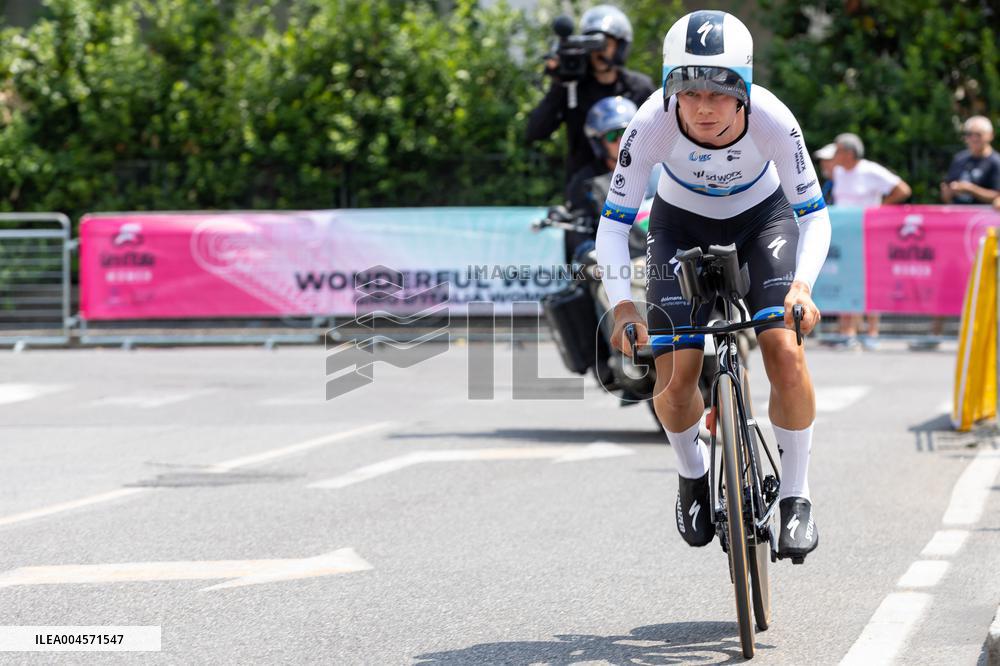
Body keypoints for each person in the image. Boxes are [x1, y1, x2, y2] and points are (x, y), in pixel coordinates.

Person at [595, 10, 830, 560]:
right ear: (669, 89)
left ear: (743, 90)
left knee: (784, 350)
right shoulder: (650, 123)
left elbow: (814, 215)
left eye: (720, 93)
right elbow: (613, 225)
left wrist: (802, 286)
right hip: (679, 226)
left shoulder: (773, 119)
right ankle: (693, 474)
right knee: (676, 374)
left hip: (762, 222)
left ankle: (796, 496)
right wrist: (623, 306)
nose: (703, 107)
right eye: (689, 92)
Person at [526, 5, 655, 183]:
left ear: (620, 46)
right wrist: (559, 84)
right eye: (592, 45)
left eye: (604, 44)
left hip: (637, 183)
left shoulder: (640, 88)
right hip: (584, 187)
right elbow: (535, 132)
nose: (598, 52)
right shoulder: (572, 87)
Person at [830, 133, 911, 350]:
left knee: (870, 280)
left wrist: (878, 210)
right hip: (845, 235)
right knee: (846, 280)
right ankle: (847, 332)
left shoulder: (870, 170)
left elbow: (903, 189)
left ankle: (872, 332)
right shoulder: (839, 172)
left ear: (849, 153)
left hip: (868, 234)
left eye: (838, 151)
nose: (835, 155)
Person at [940, 116, 1000, 205]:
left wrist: (970, 189)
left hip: (983, 213)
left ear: (990, 135)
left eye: (979, 134)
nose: (974, 138)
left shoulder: (996, 162)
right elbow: (946, 196)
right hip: (958, 212)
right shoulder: (959, 159)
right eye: (969, 134)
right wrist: (947, 192)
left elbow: (997, 196)